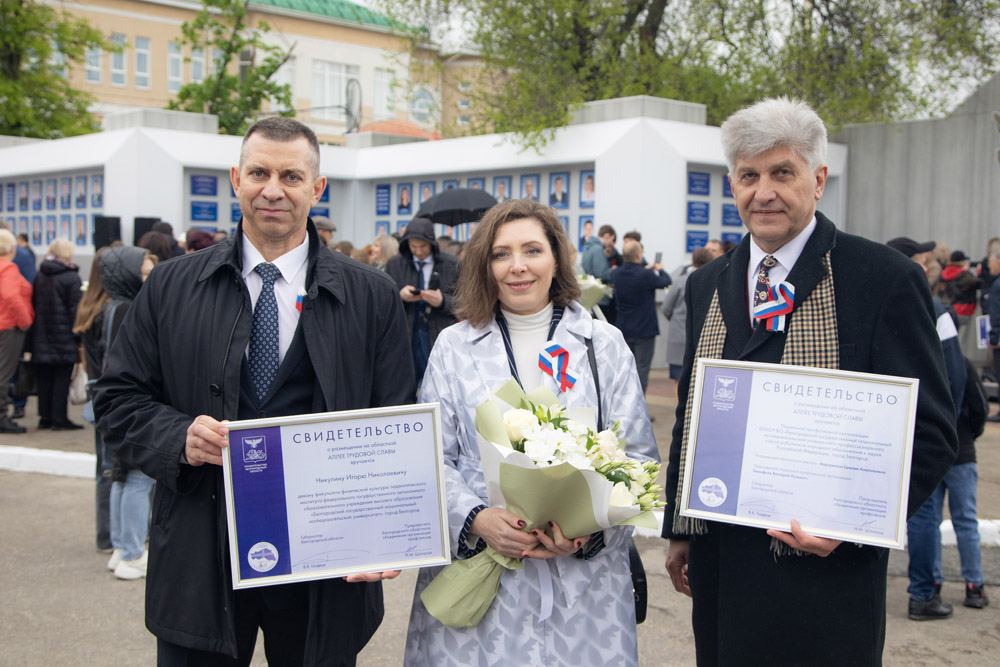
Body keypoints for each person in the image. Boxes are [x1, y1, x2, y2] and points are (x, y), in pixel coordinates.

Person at [93, 117, 413, 665]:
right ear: (236, 179)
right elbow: (117, 399)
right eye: (259, 173)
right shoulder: (170, 286)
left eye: (291, 176)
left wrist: (382, 534)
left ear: (317, 188)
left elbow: (393, 422)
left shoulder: (372, 296)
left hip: (325, 558)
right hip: (201, 549)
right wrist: (178, 437)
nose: (273, 190)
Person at [662, 98, 958, 666]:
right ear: (733, 185)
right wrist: (680, 526)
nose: (764, 192)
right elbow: (690, 415)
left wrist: (853, 527)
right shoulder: (707, 283)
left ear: (818, 180)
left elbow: (931, 432)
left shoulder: (882, 279)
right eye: (749, 176)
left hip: (826, 578)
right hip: (722, 566)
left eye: (782, 172)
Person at [404, 199, 658, 666]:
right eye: (501, 254)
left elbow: (639, 458)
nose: (517, 266)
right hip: (482, 577)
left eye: (532, 250)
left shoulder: (604, 345)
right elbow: (429, 457)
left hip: (584, 589)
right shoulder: (454, 347)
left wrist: (585, 532)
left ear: (557, 258)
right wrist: (476, 518)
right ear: (484, 265)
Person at [80, 247, 159, 579]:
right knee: (137, 476)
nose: (150, 278)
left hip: (109, 403)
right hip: (129, 404)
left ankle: (119, 547)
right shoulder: (126, 308)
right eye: (144, 273)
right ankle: (132, 552)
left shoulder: (107, 306)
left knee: (119, 474)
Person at [384, 217, 459, 390]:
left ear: (432, 244)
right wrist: (400, 296)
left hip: (438, 333)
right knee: (403, 386)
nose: (418, 251)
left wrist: (442, 301)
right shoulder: (395, 264)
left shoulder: (452, 265)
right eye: (413, 246)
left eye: (423, 246)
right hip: (406, 335)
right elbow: (384, 302)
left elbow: (467, 303)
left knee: (438, 386)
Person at [72, 251, 114, 552]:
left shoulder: (90, 304)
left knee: (104, 468)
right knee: (111, 468)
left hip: (95, 390)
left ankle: (105, 534)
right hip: (105, 394)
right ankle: (110, 535)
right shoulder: (109, 310)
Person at [30, 238, 84, 430]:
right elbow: (75, 311)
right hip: (64, 336)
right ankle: (60, 418)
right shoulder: (71, 277)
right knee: (62, 377)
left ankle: (45, 417)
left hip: (41, 334)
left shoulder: (40, 275)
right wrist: (79, 337)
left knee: (44, 377)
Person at [608, 239, 670, 394]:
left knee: (625, 368)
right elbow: (666, 281)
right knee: (642, 369)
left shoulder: (616, 274)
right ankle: (639, 403)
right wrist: (660, 269)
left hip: (624, 328)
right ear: (638, 256)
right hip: (644, 329)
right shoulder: (646, 275)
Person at [662, 247, 712, 399]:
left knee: (679, 378)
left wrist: (676, 321)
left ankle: (680, 409)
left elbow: (666, 308)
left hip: (678, 335)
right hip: (704, 336)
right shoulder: (713, 280)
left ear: (692, 261)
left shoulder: (680, 281)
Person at [0, 229, 33, 433]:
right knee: (4, 374)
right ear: (11, 248)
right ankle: (1, 417)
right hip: (8, 327)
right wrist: (25, 321)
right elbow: (11, 296)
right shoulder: (8, 268)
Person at [581, 224, 621, 323]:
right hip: (600, 299)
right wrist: (615, 270)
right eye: (612, 240)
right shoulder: (598, 249)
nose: (611, 244)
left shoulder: (588, 248)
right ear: (607, 236)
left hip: (590, 297)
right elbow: (602, 273)